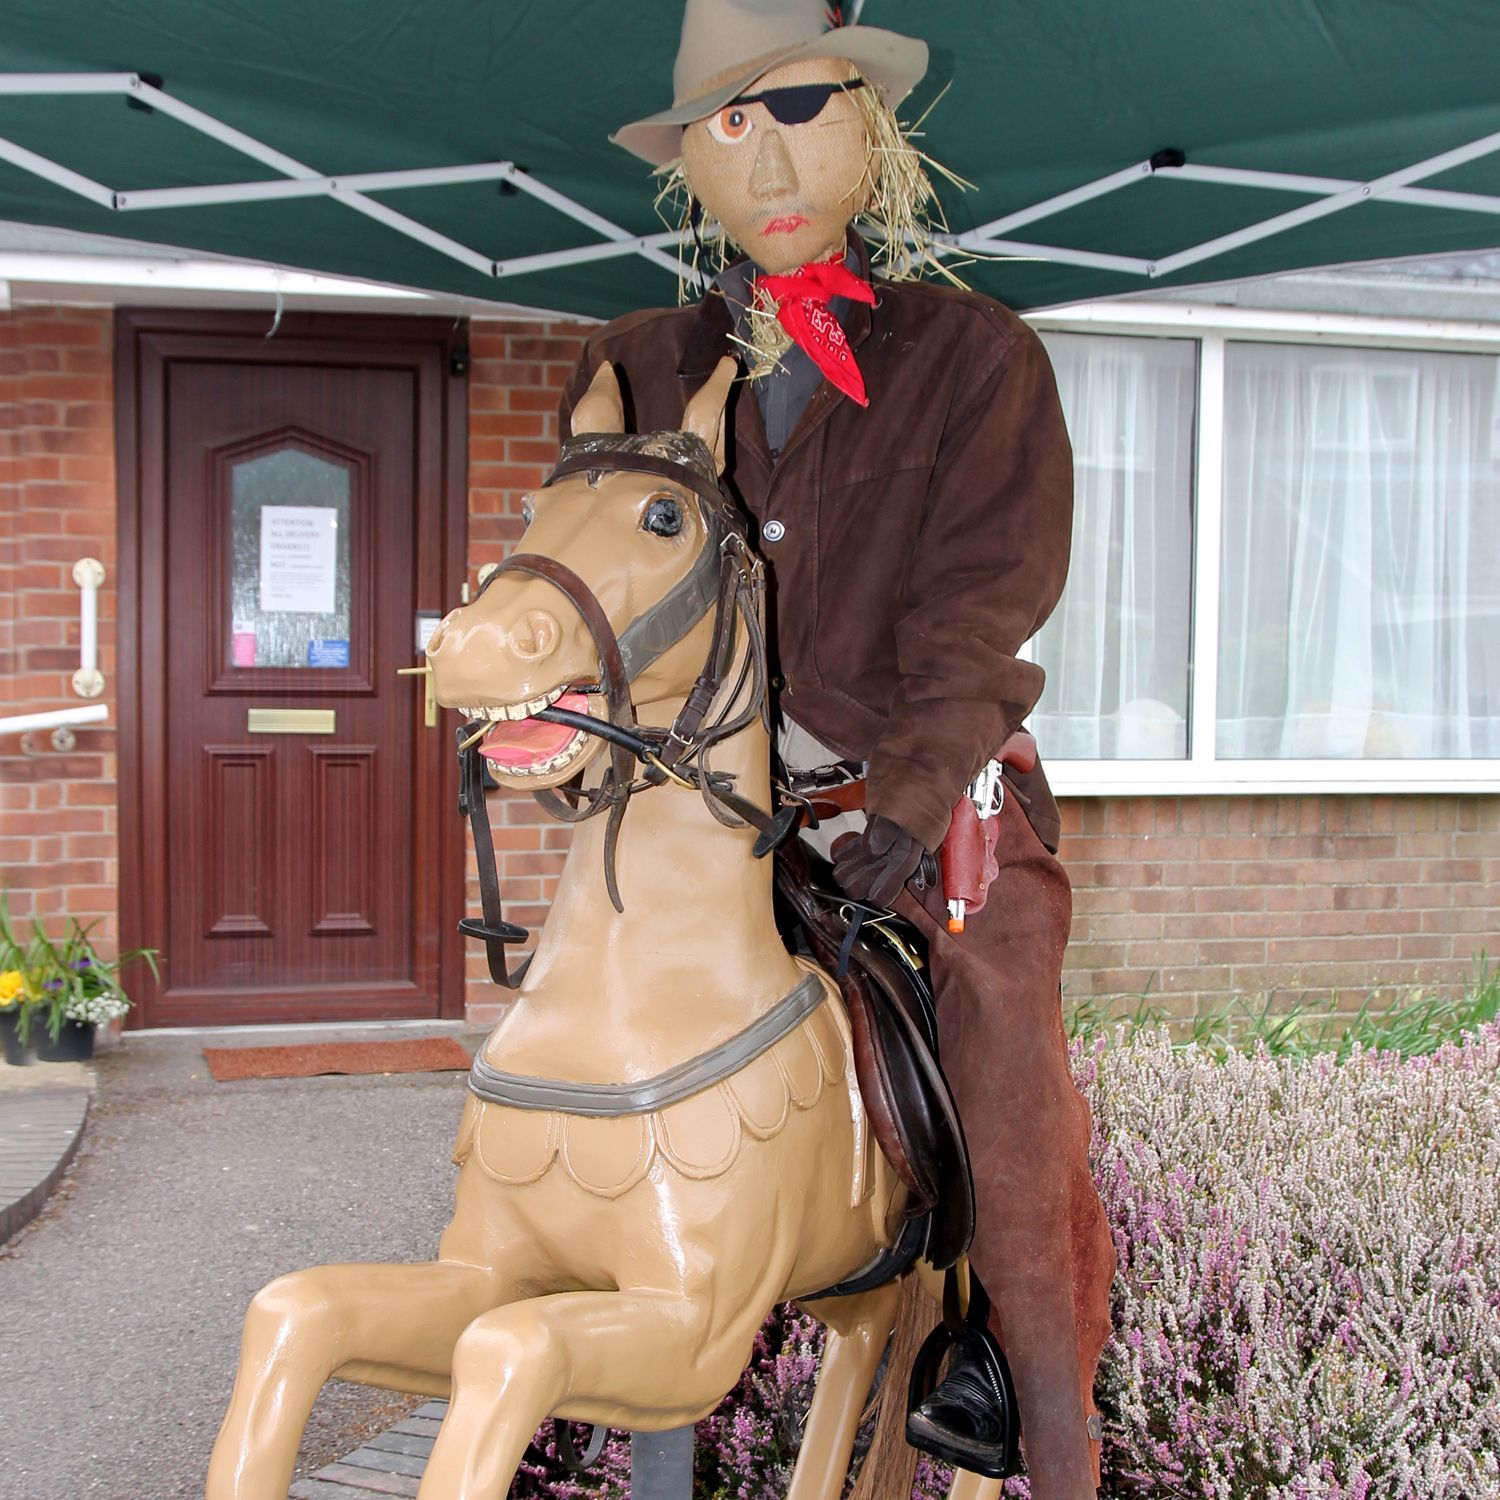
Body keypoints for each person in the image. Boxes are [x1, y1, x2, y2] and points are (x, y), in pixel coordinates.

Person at [558, 4, 1116, 1496]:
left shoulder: (976, 357)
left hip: (905, 800)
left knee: (999, 1049)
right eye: (732, 126)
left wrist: (914, 798)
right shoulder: (632, 364)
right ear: (687, 165)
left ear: (876, 136)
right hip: (697, 806)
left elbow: (979, 611)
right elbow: (603, 584)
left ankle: (1035, 1404)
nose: (772, 162)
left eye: (806, 114)